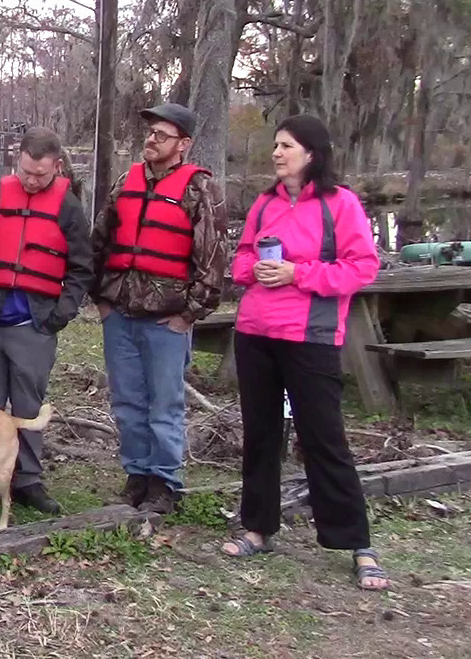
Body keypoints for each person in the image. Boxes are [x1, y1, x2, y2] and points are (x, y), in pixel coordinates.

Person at [222, 114, 390, 591]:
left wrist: (300, 275)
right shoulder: (263, 204)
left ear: (311, 154)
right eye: (275, 145)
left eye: (287, 146)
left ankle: (356, 541)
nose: (277, 153)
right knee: (260, 436)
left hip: (311, 337)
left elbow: (362, 268)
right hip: (256, 333)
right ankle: (258, 527)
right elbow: (241, 260)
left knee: (323, 439)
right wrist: (257, 270)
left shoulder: (342, 205)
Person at [90, 103, 227, 515]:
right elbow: (99, 241)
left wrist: (189, 314)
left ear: (183, 145)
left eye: (162, 135)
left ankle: (164, 481)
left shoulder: (199, 190)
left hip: (167, 320)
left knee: (164, 405)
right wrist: (100, 299)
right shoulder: (125, 182)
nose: (152, 140)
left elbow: (214, 257)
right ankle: (136, 475)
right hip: (120, 314)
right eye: (150, 133)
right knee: (127, 402)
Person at [0, 126, 95, 515]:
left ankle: (28, 479)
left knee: (29, 406)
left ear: (57, 167)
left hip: (35, 323)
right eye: (27, 172)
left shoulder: (68, 208)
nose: (32, 181)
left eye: (41, 176)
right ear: (18, 161)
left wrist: (58, 316)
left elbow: (82, 269)